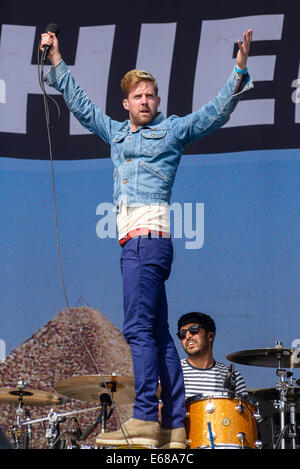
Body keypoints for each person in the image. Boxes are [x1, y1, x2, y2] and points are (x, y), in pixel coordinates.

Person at [40, 28, 253, 449]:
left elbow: (212, 114)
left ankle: (142, 418)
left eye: (150, 95)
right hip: (135, 244)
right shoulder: (116, 134)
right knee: (156, 334)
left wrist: (239, 69)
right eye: (137, 96)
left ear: (158, 102)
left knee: (138, 329)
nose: (144, 101)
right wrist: (56, 61)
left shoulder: (171, 131)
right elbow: (82, 106)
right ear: (126, 104)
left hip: (147, 242)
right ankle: (174, 426)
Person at [177, 312, 248, 399]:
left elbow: (244, 410)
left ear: (210, 336)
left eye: (193, 330)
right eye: (182, 333)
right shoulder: (172, 371)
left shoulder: (232, 375)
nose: (187, 336)